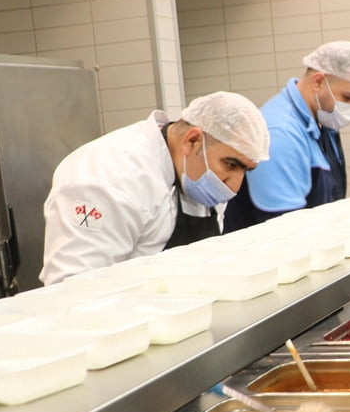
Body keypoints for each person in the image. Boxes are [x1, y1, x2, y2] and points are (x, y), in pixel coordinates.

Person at [41, 92, 268, 284]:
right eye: (231, 165)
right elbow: (74, 290)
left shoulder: (202, 171)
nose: (234, 186)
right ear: (192, 141)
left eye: (245, 170)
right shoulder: (107, 178)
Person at [223, 41, 350, 232]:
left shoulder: (323, 121)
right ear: (318, 82)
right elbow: (286, 233)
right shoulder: (281, 133)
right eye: (348, 97)